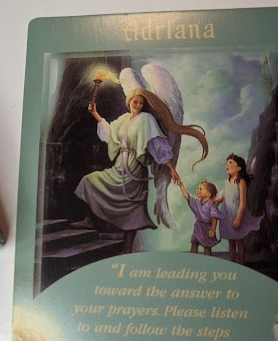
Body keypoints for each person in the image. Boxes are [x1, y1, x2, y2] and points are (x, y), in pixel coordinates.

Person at [73, 87, 208, 254]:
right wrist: (95, 113)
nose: (137, 105)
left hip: (135, 168)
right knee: (89, 181)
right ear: (129, 102)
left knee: (133, 209)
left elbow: (156, 144)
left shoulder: (146, 119)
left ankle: (127, 248)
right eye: (135, 102)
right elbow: (110, 132)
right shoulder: (124, 119)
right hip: (119, 165)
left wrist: (171, 168)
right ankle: (90, 220)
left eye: (141, 103)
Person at [216, 153, 262, 264]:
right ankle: (232, 263)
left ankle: (241, 263)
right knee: (231, 241)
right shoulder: (228, 181)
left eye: (230, 163)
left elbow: (243, 202)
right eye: (227, 163)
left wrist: (238, 219)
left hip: (236, 213)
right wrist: (218, 200)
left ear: (239, 168)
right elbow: (226, 196)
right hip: (227, 214)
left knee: (238, 240)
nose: (227, 165)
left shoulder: (241, 182)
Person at [178, 179, 225, 256]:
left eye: (201, 189)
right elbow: (187, 196)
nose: (198, 190)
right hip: (198, 227)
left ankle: (208, 261)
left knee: (207, 247)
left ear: (208, 194)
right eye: (198, 188)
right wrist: (181, 186)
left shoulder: (211, 204)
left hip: (206, 228)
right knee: (194, 244)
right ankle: (192, 260)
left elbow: (214, 218)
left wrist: (212, 230)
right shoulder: (197, 202)